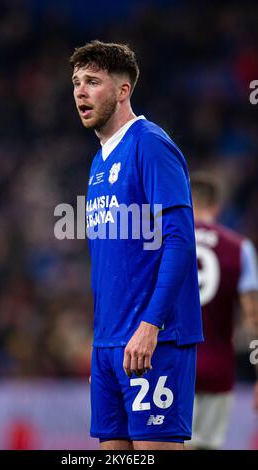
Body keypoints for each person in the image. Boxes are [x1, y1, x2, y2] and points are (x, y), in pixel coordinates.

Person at [70, 40, 203, 451]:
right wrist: (102, 342)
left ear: (123, 90)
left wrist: (151, 324)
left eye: (93, 81)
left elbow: (180, 240)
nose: (79, 91)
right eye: (76, 82)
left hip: (154, 341)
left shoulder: (149, 143)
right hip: (110, 344)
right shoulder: (98, 163)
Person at [189, 172, 258, 450]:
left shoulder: (161, 242)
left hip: (172, 366)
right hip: (218, 368)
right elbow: (253, 319)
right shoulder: (240, 249)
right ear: (216, 207)